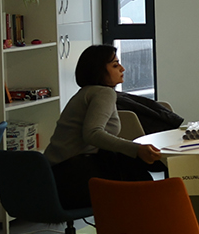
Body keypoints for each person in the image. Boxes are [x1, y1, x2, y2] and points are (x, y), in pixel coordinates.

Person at [43, 45, 164, 210]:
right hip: (73, 180)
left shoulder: (85, 92)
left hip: (54, 179)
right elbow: (92, 134)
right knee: (138, 173)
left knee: (131, 165)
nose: (122, 68)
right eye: (115, 65)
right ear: (99, 70)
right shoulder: (103, 93)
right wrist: (137, 149)